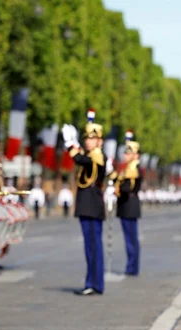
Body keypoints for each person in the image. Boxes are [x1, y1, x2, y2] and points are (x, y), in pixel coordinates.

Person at [62, 109, 107, 296]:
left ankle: (94, 283)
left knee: (93, 246)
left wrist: (69, 144)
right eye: (86, 138)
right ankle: (94, 282)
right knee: (91, 246)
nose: (88, 140)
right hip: (89, 205)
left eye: (92, 138)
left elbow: (80, 159)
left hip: (91, 206)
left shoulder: (96, 156)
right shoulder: (92, 155)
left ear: (99, 141)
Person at [111, 130, 142, 276]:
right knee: (129, 238)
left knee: (131, 238)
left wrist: (116, 186)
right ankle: (132, 265)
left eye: (128, 153)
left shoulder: (133, 168)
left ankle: (132, 266)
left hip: (129, 204)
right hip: (126, 205)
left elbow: (125, 187)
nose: (125, 156)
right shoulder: (128, 169)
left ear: (135, 155)